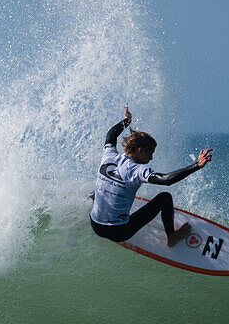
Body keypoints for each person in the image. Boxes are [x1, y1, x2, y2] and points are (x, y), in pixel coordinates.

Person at [89, 105, 213, 247]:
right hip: (119, 232)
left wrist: (126, 121)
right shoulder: (137, 170)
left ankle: (91, 198)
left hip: (95, 225)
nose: (151, 158)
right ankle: (172, 237)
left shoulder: (109, 155)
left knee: (98, 189)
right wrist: (196, 165)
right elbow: (167, 180)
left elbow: (111, 134)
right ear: (140, 151)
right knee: (165, 197)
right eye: (150, 153)